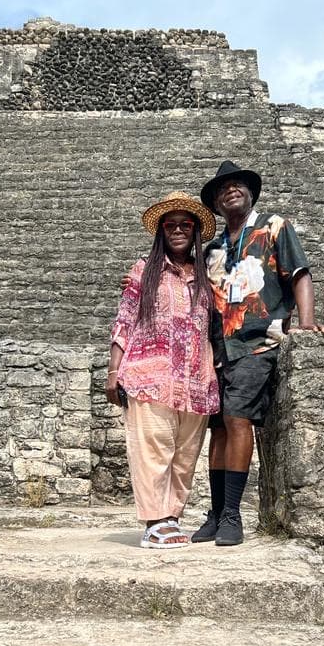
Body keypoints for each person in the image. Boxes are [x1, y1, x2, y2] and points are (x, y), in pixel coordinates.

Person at [191, 160, 324, 547]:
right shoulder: (212, 251)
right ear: (217, 204)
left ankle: (233, 515)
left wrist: (306, 322)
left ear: (250, 192)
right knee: (216, 430)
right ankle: (216, 513)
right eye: (223, 189)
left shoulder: (273, 227)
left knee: (237, 419)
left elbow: (299, 273)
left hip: (258, 342)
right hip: (218, 349)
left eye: (237, 185)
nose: (230, 190)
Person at [106, 191, 219, 548]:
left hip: (196, 378)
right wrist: (113, 371)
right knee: (153, 449)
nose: (178, 230)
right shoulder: (144, 270)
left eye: (186, 224)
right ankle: (154, 521)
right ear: (161, 232)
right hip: (149, 374)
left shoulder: (206, 275)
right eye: (171, 225)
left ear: (196, 230)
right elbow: (124, 319)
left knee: (185, 455)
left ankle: (172, 517)